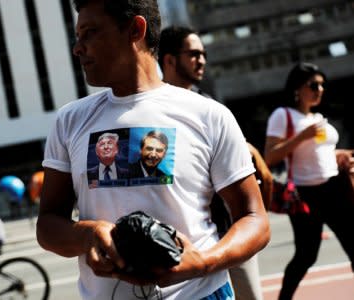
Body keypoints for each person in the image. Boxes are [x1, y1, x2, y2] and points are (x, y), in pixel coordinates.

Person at [37, 1, 270, 299]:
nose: (77, 48)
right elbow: (47, 224)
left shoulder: (209, 114)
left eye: (89, 33)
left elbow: (255, 219)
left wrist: (203, 262)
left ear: (135, 29)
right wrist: (87, 234)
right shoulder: (70, 120)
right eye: (77, 36)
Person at [159, 25, 271, 300]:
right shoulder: (155, 110)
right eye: (194, 54)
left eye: (203, 54)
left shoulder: (208, 106)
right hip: (185, 241)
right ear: (169, 60)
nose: (202, 60)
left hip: (227, 231)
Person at [264, 62, 354, 300]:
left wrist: (341, 156)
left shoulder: (318, 117)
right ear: (297, 88)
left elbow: (321, 153)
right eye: (314, 85)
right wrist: (302, 136)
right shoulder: (282, 115)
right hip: (305, 195)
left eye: (322, 85)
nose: (320, 89)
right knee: (306, 255)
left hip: (334, 188)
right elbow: (270, 157)